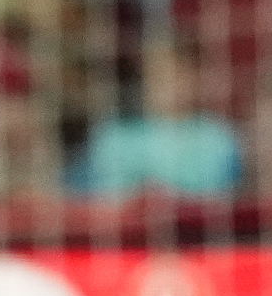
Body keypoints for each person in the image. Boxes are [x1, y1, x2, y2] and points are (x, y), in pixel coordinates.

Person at [73, 37, 241, 198]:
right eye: (159, 74)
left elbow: (221, 199)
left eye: (178, 75)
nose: (168, 85)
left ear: (196, 79)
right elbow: (97, 197)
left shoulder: (218, 139)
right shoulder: (113, 137)